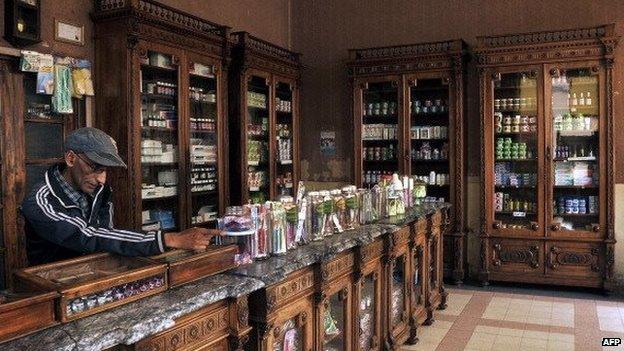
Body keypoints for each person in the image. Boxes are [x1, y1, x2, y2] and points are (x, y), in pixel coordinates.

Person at [22, 127, 217, 266]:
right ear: (71, 158)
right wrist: (169, 239)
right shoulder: (41, 200)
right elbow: (87, 234)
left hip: (92, 274)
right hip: (49, 285)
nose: (102, 179)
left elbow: (107, 233)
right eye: (95, 167)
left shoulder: (101, 191)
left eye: (105, 170)